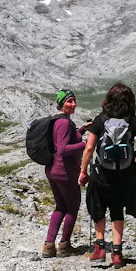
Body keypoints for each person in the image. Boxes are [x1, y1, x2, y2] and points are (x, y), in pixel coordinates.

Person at [79, 83, 136, 268]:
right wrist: (134, 154)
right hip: (124, 175)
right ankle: (117, 254)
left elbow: (89, 148)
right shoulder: (132, 120)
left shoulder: (100, 119)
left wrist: (83, 171)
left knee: (98, 207)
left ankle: (100, 249)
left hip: (101, 174)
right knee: (117, 210)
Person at [42, 90, 90, 258]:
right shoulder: (63, 123)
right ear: (62, 104)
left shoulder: (59, 121)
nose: (74, 104)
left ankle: (49, 246)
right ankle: (64, 245)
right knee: (72, 207)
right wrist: (85, 144)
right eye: (69, 101)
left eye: (74, 101)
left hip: (53, 170)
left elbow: (67, 139)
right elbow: (62, 149)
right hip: (64, 171)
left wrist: (83, 129)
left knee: (61, 206)